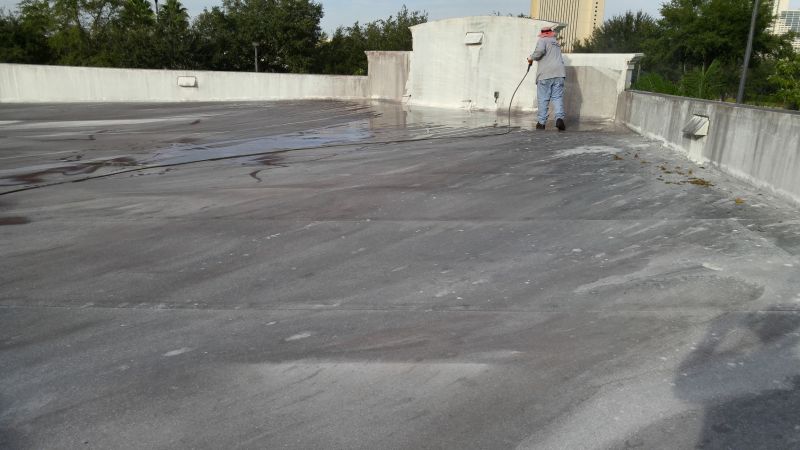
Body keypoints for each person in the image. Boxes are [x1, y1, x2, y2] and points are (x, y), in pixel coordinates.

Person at [527, 26, 567, 131]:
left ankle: (541, 123)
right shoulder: (556, 43)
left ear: (543, 34)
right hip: (559, 73)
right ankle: (559, 118)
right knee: (557, 97)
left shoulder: (542, 40)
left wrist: (531, 58)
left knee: (543, 99)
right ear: (551, 33)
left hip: (545, 74)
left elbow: (539, 52)